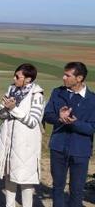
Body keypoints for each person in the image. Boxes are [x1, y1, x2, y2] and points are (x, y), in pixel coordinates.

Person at [43, 62, 95, 207]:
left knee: (76, 190)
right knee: (57, 188)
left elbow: (92, 128)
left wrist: (74, 123)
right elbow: (47, 115)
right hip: (58, 147)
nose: (63, 77)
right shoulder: (57, 92)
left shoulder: (93, 100)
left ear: (79, 78)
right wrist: (59, 118)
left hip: (81, 151)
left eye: (67, 75)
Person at [0, 64, 45, 207]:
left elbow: (33, 121)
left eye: (17, 76)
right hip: (8, 139)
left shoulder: (37, 95)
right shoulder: (11, 90)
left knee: (25, 178)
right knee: (9, 175)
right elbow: (1, 114)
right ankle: (9, 205)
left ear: (28, 79)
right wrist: (4, 109)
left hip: (26, 143)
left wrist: (13, 109)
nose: (13, 78)